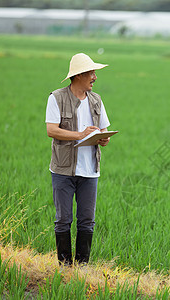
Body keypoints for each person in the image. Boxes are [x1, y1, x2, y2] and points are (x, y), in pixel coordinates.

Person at [45, 53, 111, 266]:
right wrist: (79, 135)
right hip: (63, 170)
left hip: (90, 171)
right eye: (91, 73)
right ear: (79, 75)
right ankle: (65, 267)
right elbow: (52, 130)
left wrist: (104, 138)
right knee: (63, 220)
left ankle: (82, 268)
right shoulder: (56, 98)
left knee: (87, 221)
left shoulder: (96, 100)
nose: (95, 77)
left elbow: (104, 129)